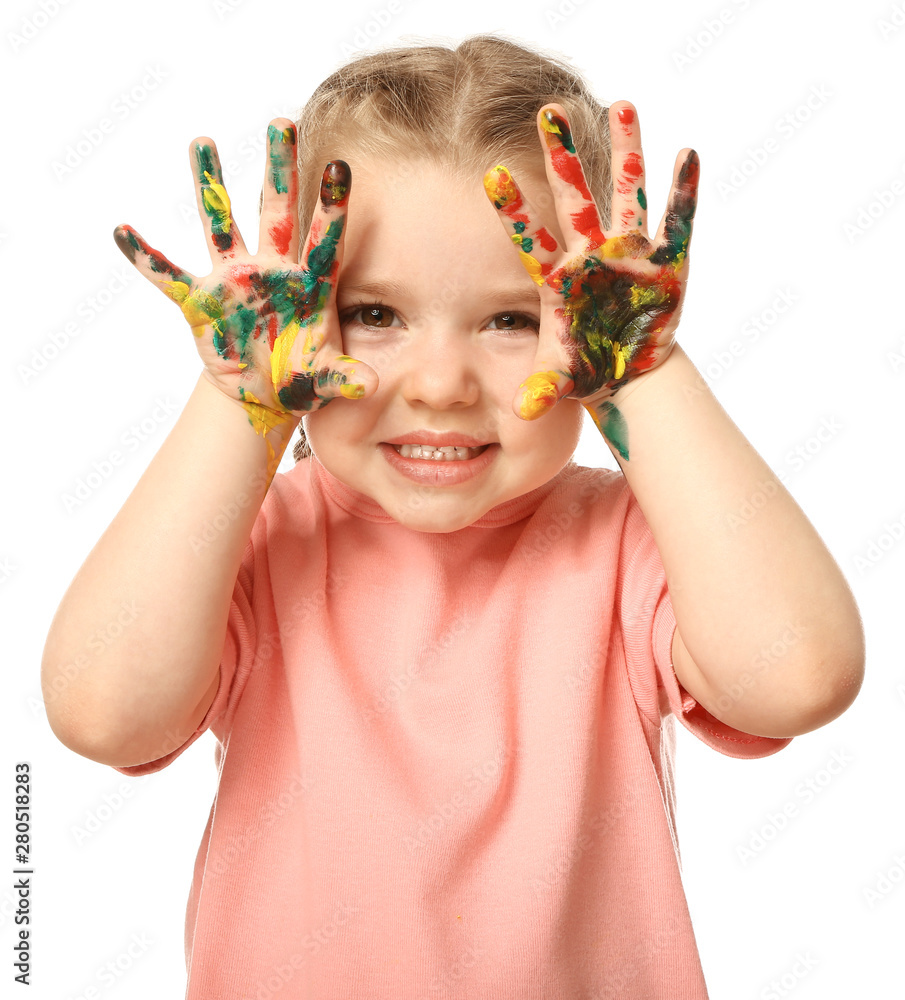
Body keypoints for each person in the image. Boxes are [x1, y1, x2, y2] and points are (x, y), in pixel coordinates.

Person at [41, 35, 864, 1000]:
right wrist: (240, 406)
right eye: (374, 315)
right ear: (298, 313)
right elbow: (102, 715)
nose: (438, 386)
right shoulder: (259, 543)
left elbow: (801, 679)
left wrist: (646, 373)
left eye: (513, 319)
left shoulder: (627, 545)